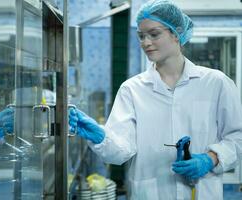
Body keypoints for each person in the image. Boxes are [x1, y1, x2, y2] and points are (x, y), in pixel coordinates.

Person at [69, 0, 242, 199]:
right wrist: (99, 136)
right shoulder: (132, 89)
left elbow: (237, 138)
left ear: (176, 34)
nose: (145, 42)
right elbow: (120, 151)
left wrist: (210, 159)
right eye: (141, 36)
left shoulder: (216, 83)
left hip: (202, 191)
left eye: (154, 34)